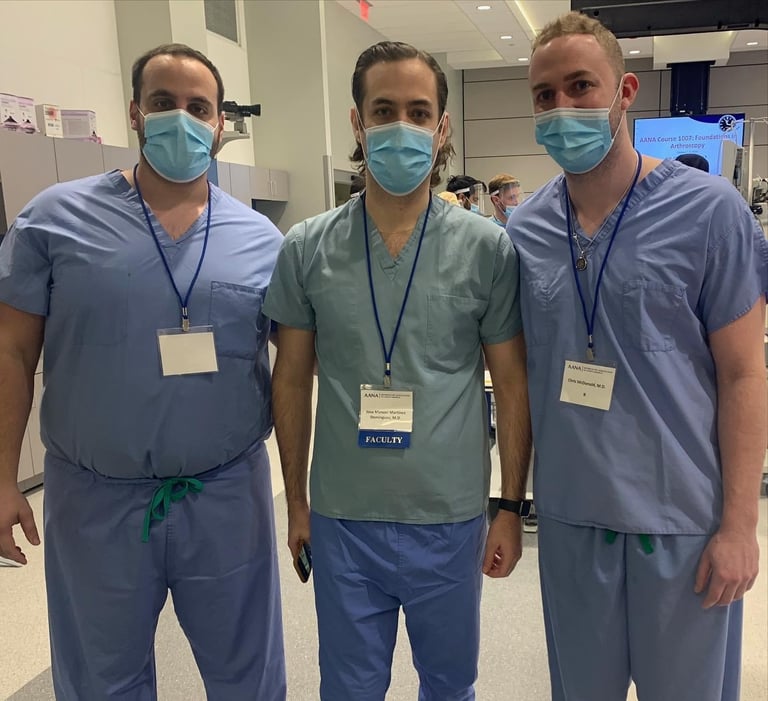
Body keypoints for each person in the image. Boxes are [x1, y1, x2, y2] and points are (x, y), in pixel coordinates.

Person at [0, 44, 286, 700]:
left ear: (220, 124)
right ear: (134, 112)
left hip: (225, 497)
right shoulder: (56, 221)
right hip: (96, 501)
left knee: (247, 677)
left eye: (198, 107)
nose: (181, 119)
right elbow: (10, 352)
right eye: (163, 102)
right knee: (102, 681)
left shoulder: (261, 241)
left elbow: (302, 368)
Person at [264, 40, 532, 700]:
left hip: (449, 512)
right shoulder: (308, 248)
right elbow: (290, 379)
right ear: (357, 122)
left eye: (419, 112)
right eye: (384, 110)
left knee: (449, 684)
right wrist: (296, 501)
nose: (402, 127)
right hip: (342, 514)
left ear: (442, 127)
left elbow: (512, 384)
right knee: (348, 687)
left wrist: (508, 506)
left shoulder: (486, 248)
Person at [510, 12, 767, 701]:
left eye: (580, 86)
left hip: (681, 522)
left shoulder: (710, 213)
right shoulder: (525, 229)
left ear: (624, 91)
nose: (562, 108)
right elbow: (521, 375)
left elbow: (745, 373)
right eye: (544, 95)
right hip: (572, 517)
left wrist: (741, 525)